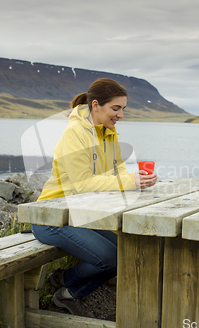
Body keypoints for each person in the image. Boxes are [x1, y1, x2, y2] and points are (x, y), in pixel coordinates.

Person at [31, 78, 158, 314]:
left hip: (81, 215)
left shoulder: (108, 131)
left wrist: (137, 178)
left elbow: (118, 169)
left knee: (127, 252)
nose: (121, 115)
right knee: (110, 259)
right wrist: (129, 182)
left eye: (123, 109)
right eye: (116, 108)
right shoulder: (74, 133)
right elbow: (81, 184)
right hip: (51, 217)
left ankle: (65, 289)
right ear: (96, 105)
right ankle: (65, 283)